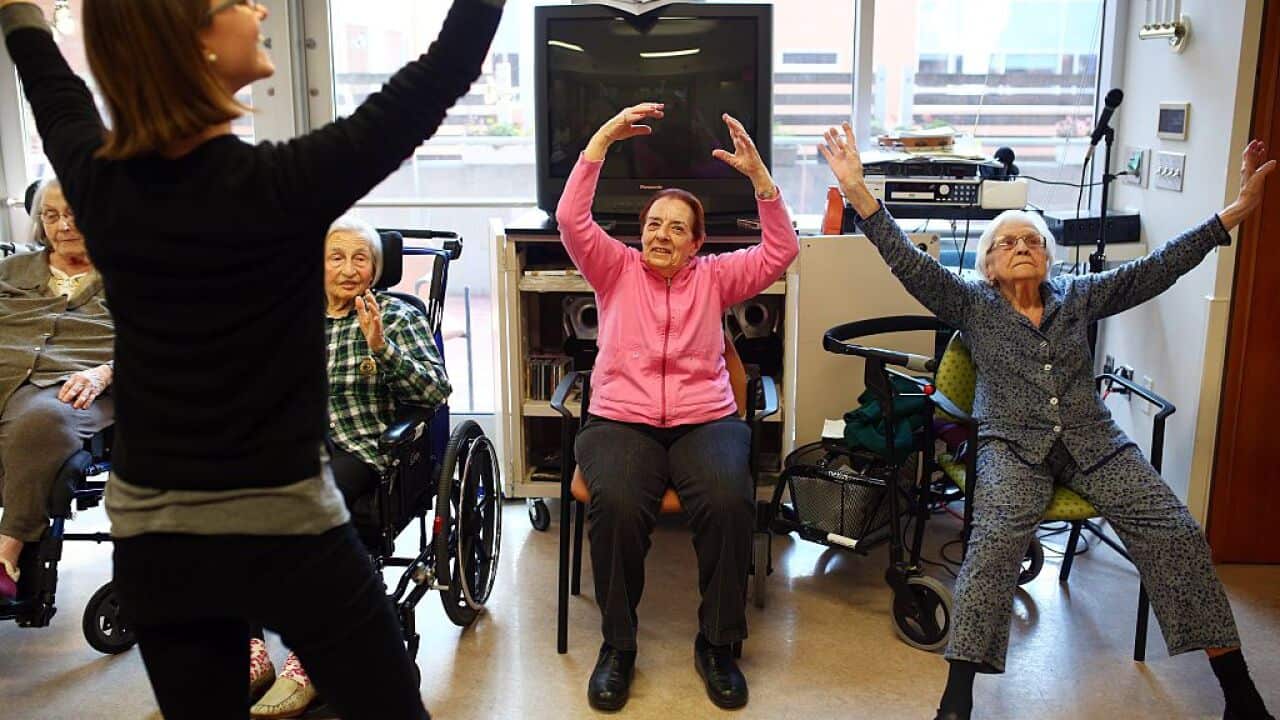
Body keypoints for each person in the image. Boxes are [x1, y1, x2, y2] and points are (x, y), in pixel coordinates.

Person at [0, 1, 503, 718]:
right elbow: (441, 75)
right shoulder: (282, 186)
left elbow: (50, 85)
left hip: (155, 540)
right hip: (289, 531)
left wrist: (20, 15)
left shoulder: (101, 182)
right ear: (194, 43)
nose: (260, 7)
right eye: (236, 3)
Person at [820, 121, 1276, 720]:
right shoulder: (970, 302)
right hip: (1010, 448)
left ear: (1048, 256)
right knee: (992, 547)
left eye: (1032, 239)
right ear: (987, 262)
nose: (1022, 246)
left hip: (1097, 444)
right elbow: (907, 262)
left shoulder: (1079, 296)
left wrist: (1235, 214)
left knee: (1179, 533)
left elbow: (1158, 267)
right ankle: (956, 703)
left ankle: (1239, 697)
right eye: (1008, 242)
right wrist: (858, 192)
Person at [556, 102, 798, 712]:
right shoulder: (614, 270)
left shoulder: (715, 277)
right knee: (613, 502)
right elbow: (570, 217)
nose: (661, 235)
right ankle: (619, 646)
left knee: (727, 497)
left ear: (697, 242)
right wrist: (602, 140)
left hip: (705, 418)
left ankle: (717, 643)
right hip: (619, 418)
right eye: (653, 224)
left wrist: (761, 182)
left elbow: (781, 251)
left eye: (677, 227)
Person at [249, 215, 451, 719]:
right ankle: (249, 646)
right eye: (335, 257)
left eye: (360, 258)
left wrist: (381, 347)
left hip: (362, 450)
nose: (348, 268)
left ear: (377, 268)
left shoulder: (399, 317)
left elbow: (434, 393)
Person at [0, 178, 114, 601]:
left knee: (41, 421)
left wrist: (104, 373)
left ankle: (8, 551)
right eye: (51, 215)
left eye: (74, 213)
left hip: (77, 383)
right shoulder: (11, 271)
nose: (63, 225)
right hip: (7, 373)